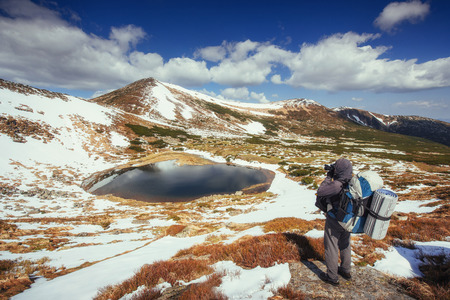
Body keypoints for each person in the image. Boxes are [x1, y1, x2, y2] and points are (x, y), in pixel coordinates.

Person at [315, 158, 353, 286]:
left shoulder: (337, 184)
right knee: (345, 244)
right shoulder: (352, 182)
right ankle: (346, 271)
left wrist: (328, 177)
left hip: (335, 219)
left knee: (331, 246)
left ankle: (332, 277)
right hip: (349, 219)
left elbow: (320, 191)